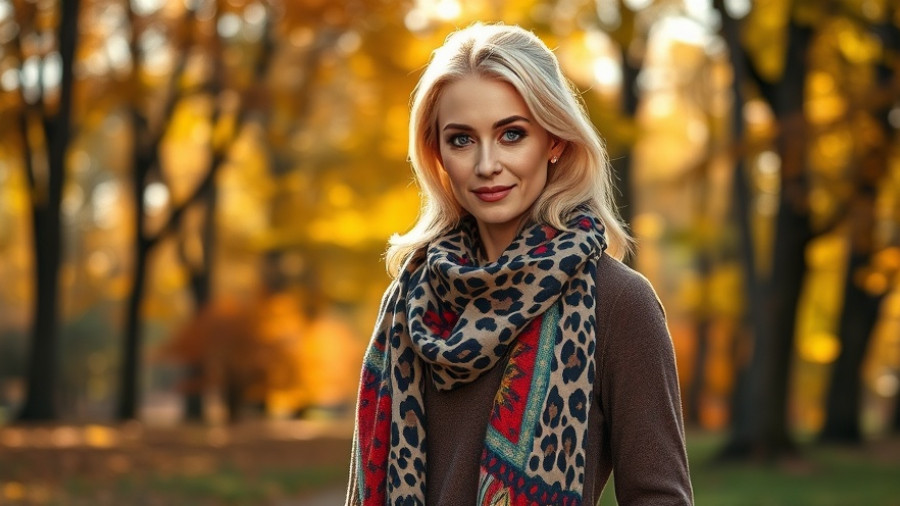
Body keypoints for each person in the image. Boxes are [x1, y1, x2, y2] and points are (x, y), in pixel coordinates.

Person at [345, 22, 693, 506]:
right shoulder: (410, 301)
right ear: (437, 153)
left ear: (554, 141)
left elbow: (660, 498)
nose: (487, 164)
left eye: (511, 134)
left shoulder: (618, 303)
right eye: (462, 139)